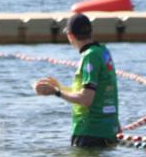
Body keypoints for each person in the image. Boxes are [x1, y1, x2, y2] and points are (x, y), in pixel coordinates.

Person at [34, 13, 120, 147]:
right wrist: (61, 87)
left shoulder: (89, 56)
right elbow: (94, 92)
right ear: (91, 32)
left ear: (70, 36)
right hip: (109, 130)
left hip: (89, 132)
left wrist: (57, 92)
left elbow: (86, 99)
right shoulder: (103, 51)